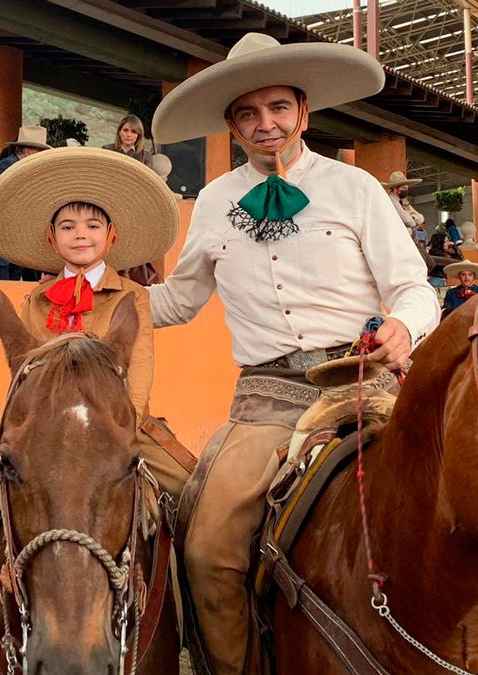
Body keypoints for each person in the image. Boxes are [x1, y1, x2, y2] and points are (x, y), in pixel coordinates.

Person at [147, 33, 441, 674]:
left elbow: (414, 287)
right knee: (207, 548)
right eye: (248, 114)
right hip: (265, 401)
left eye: (278, 108)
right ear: (232, 125)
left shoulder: (357, 188)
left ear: (303, 112)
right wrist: (99, 302)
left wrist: (403, 327)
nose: (265, 124)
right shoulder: (215, 204)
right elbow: (177, 301)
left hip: (363, 382)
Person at [0, 146, 195, 645]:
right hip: (45, 432)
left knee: (190, 492)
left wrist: (115, 428)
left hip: (117, 427)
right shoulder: (34, 299)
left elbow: (139, 376)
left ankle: (187, 613)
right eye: (68, 226)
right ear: (52, 238)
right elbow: (22, 375)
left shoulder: (132, 298)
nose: (81, 235)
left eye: (92, 226)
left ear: (111, 235)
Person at [0, 125, 50, 280]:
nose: (41, 156)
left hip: (14, 244)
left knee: (12, 287)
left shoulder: (29, 168)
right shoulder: (8, 164)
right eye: (39, 152)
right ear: (28, 150)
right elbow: (4, 197)